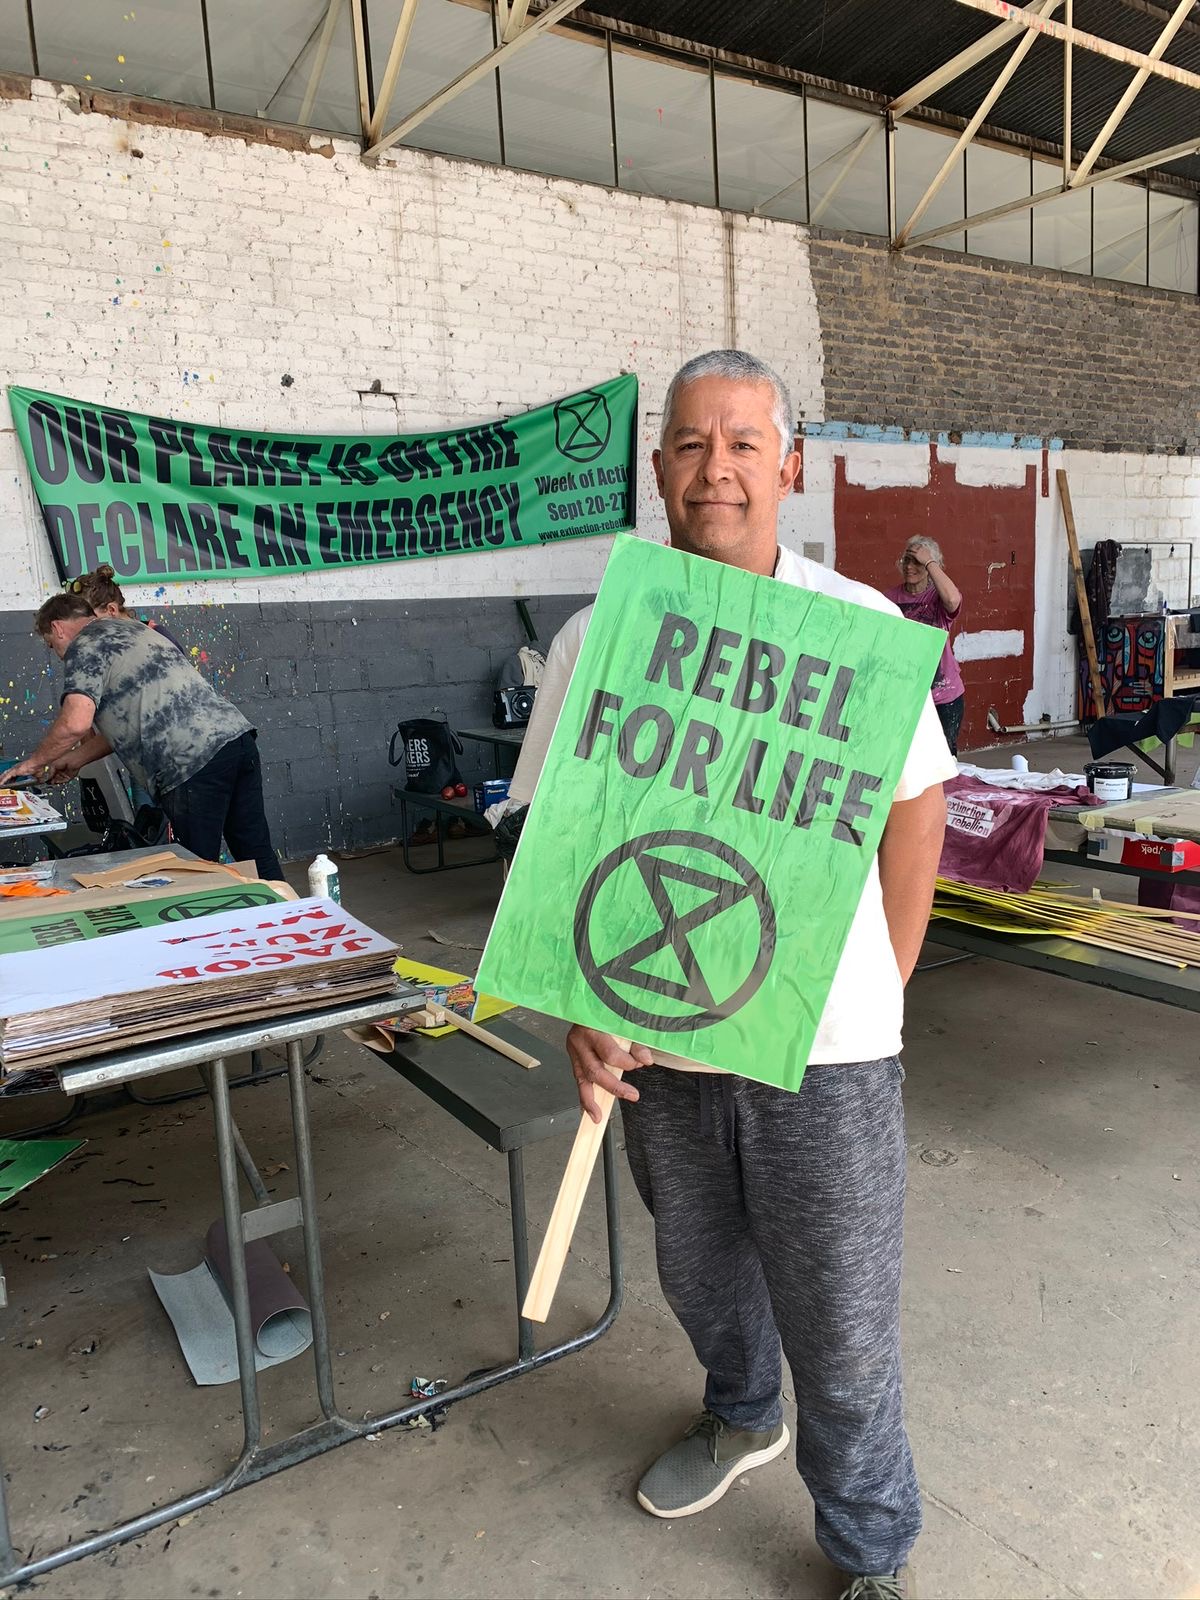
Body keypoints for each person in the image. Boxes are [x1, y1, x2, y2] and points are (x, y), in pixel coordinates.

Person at [500, 351, 955, 1600]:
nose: (718, 469)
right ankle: (743, 1414)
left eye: (744, 443)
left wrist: (886, 977)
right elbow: (559, 841)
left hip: (828, 1054)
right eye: (693, 444)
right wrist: (581, 1008)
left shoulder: (859, 630)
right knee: (702, 1280)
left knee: (844, 1325)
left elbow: (919, 807)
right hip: (661, 1048)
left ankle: (871, 1550)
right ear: (658, 469)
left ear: (789, 465)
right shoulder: (600, 634)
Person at [9, 593, 283, 880]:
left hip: (189, 763)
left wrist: (33, 763)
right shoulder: (134, 629)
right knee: (256, 851)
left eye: (51, 645)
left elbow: (75, 723)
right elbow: (135, 723)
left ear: (57, 628)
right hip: (235, 740)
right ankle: (287, 906)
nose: (57, 654)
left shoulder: (84, 645)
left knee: (198, 871)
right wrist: (75, 759)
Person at [885, 537, 965, 755]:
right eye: (907, 560)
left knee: (942, 758)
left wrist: (929, 562)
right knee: (905, 757)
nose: (909, 567)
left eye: (917, 562)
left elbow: (953, 600)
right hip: (904, 694)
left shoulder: (938, 598)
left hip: (943, 696)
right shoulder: (889, 598)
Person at [66, 564, 186, 654]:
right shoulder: (99, 650)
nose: (83, 630)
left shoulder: (158, 638)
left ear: (112, 610)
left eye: (88, 621)